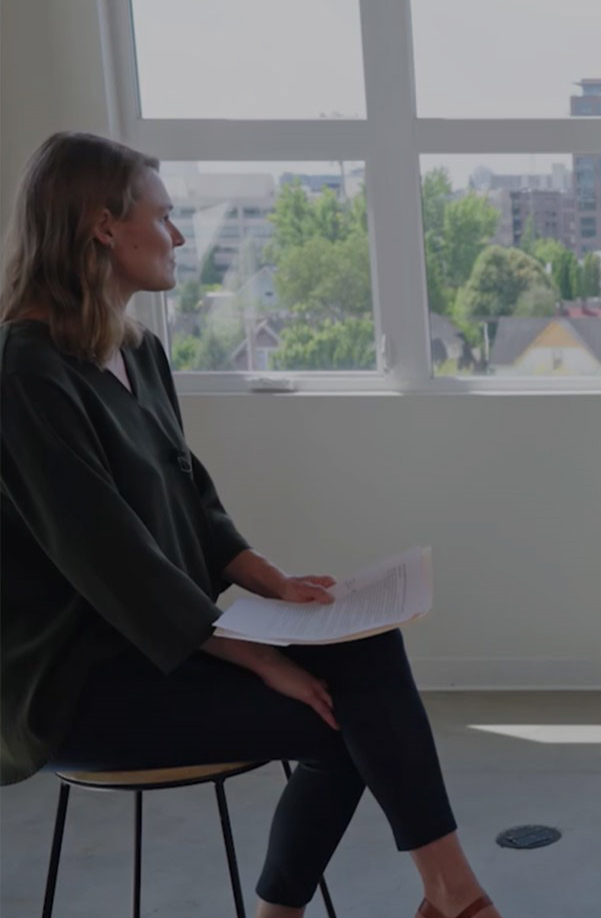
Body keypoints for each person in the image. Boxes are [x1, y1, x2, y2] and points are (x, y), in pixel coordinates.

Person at [0, 132, 500, 918]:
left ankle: (450, 895)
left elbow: (191, 497)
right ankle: (449, 898)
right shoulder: (25, 373)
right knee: (351, 724)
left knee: (363, 649)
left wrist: (276, 584)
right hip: (80, 684)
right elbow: (110, 555)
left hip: (164, 649)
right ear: (103, 226)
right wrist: (258, 656)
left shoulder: (137, 351)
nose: (178, 235)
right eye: (163, 217)